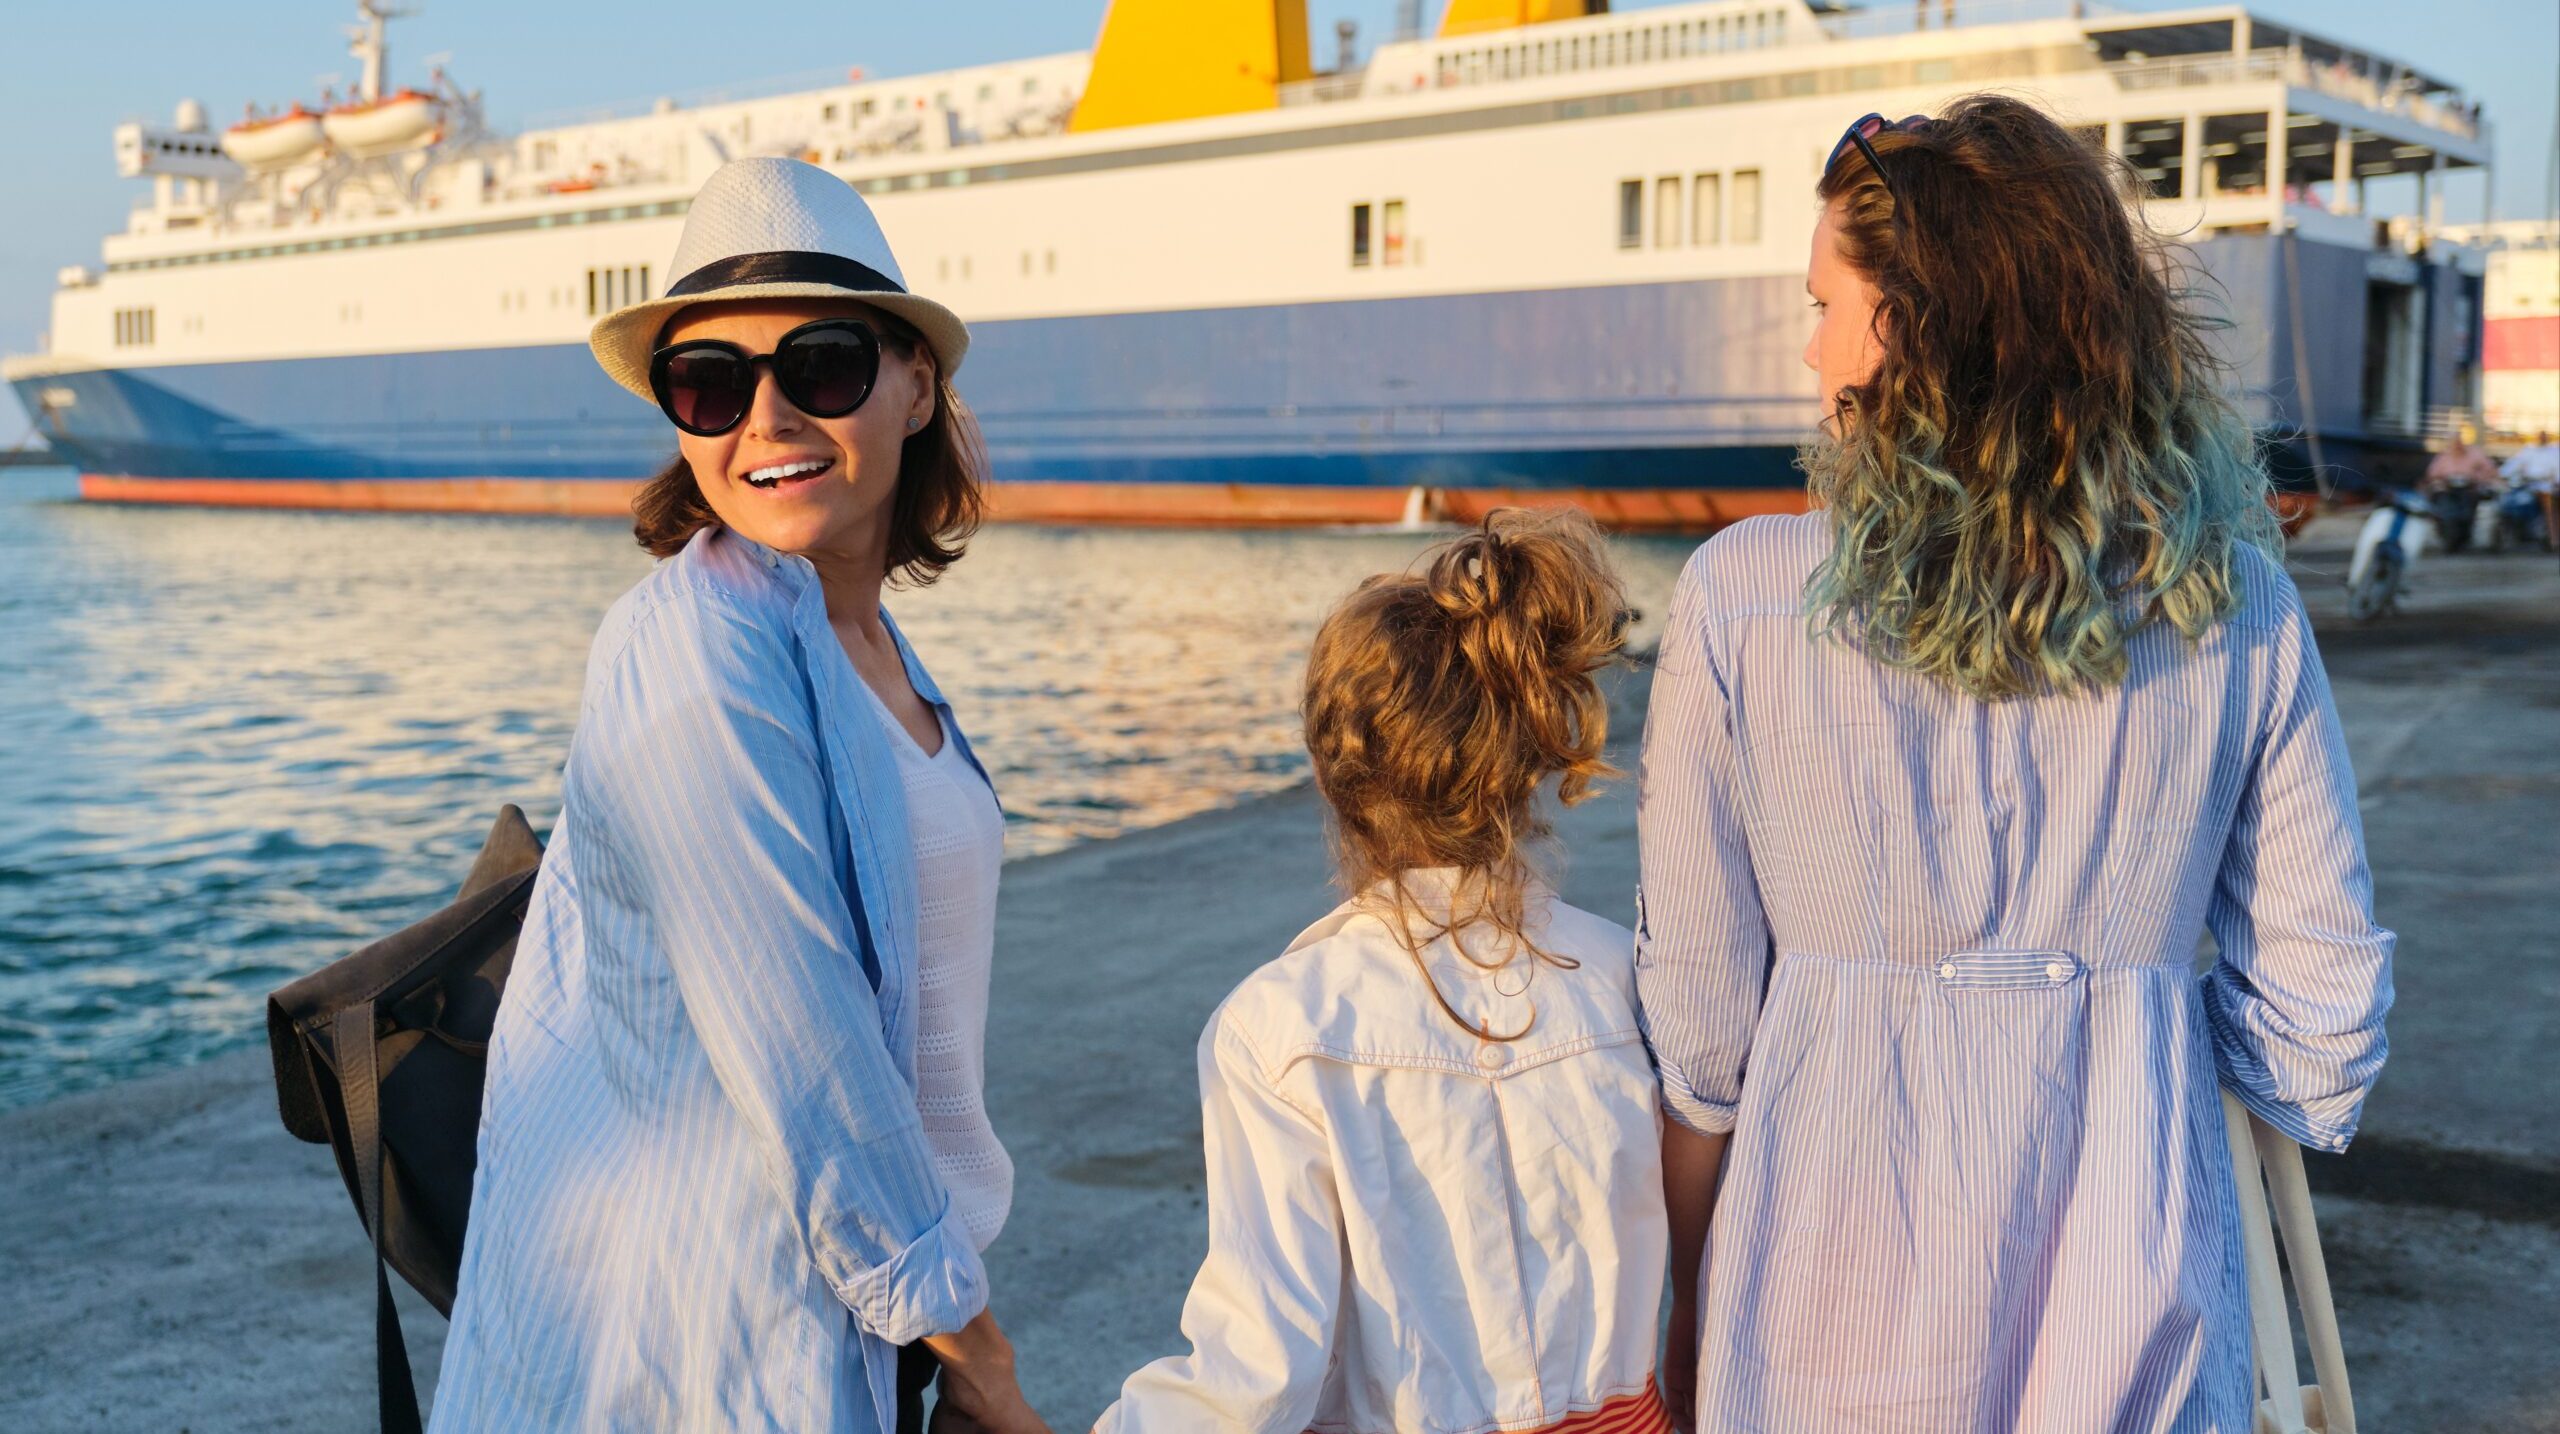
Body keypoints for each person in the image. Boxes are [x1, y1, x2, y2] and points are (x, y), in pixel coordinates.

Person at [1638, 98, 2394, 1431]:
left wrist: (1690, 1307)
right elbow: (2320, 1036)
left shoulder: (1743, 599)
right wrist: (2125, 1021)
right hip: (2137, 1317)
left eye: (1826, 302)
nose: (1809, 349)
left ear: (1913, 322)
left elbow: (1703, 1038)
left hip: (1816, 1319)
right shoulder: (2237, 604)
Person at [432, 158, 1048, 1434]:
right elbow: (801, 1040)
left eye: (819, 364)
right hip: (695, 1348)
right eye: (710, 383)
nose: (763, 418)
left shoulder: (867, 649)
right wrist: (977, 1351)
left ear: (917, 385)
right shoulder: (693, 649)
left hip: (847, 1332)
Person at [1096, 509, 1676, 1434]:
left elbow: (1256, 1377)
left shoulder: (1282, 1030)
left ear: (1331, 773)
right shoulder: (1628, 976)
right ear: (1527, 757)